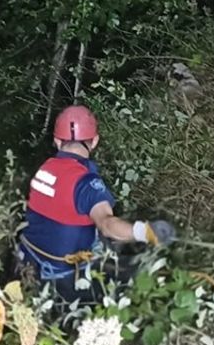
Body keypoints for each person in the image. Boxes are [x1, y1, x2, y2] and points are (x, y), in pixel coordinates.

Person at [15, 105, 176, 303]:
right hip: (61, 279)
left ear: (57, 141)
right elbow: (107, 225)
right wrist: (147, 232)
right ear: (95, 141)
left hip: (24, 263)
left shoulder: (45, 169)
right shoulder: (87, 184)